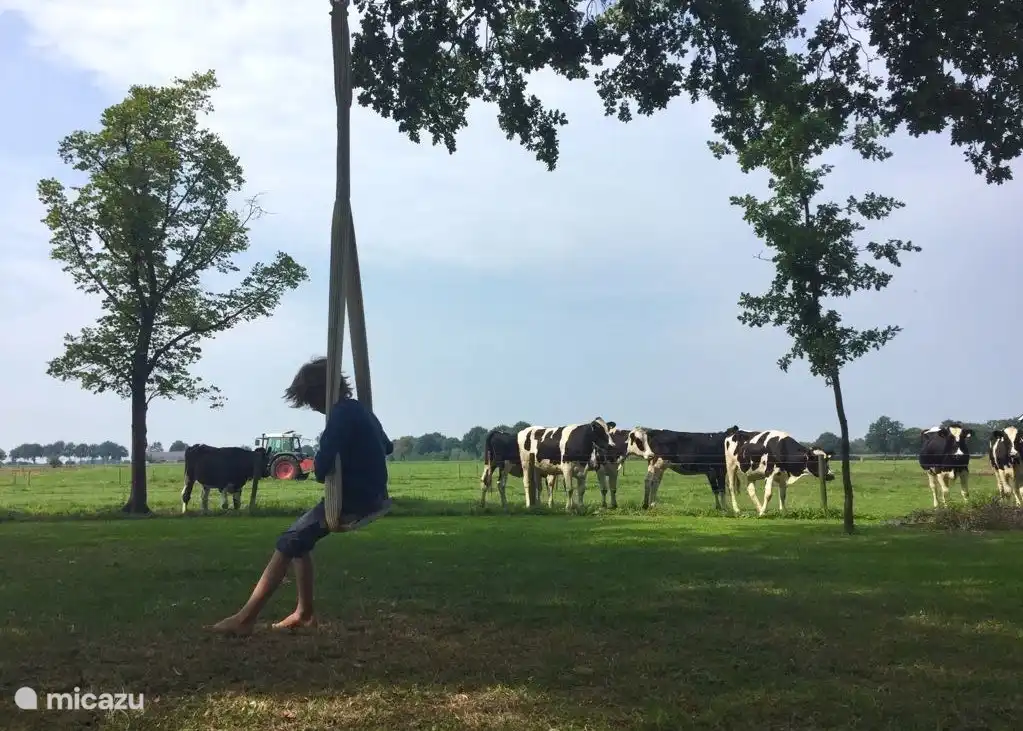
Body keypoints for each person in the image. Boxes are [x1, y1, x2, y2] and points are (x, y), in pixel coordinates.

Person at [211, 373, 393, 634]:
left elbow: (320, 471)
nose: (312, 407)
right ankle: (304, 613)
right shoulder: (360, 410)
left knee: (286, 543)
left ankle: (244, 618)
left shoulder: (339, 416)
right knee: (299, 541)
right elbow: (386, 447)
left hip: (353, 499)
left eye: (310, 401)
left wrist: (333, 452)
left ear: (320, 393)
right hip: (373, 494)